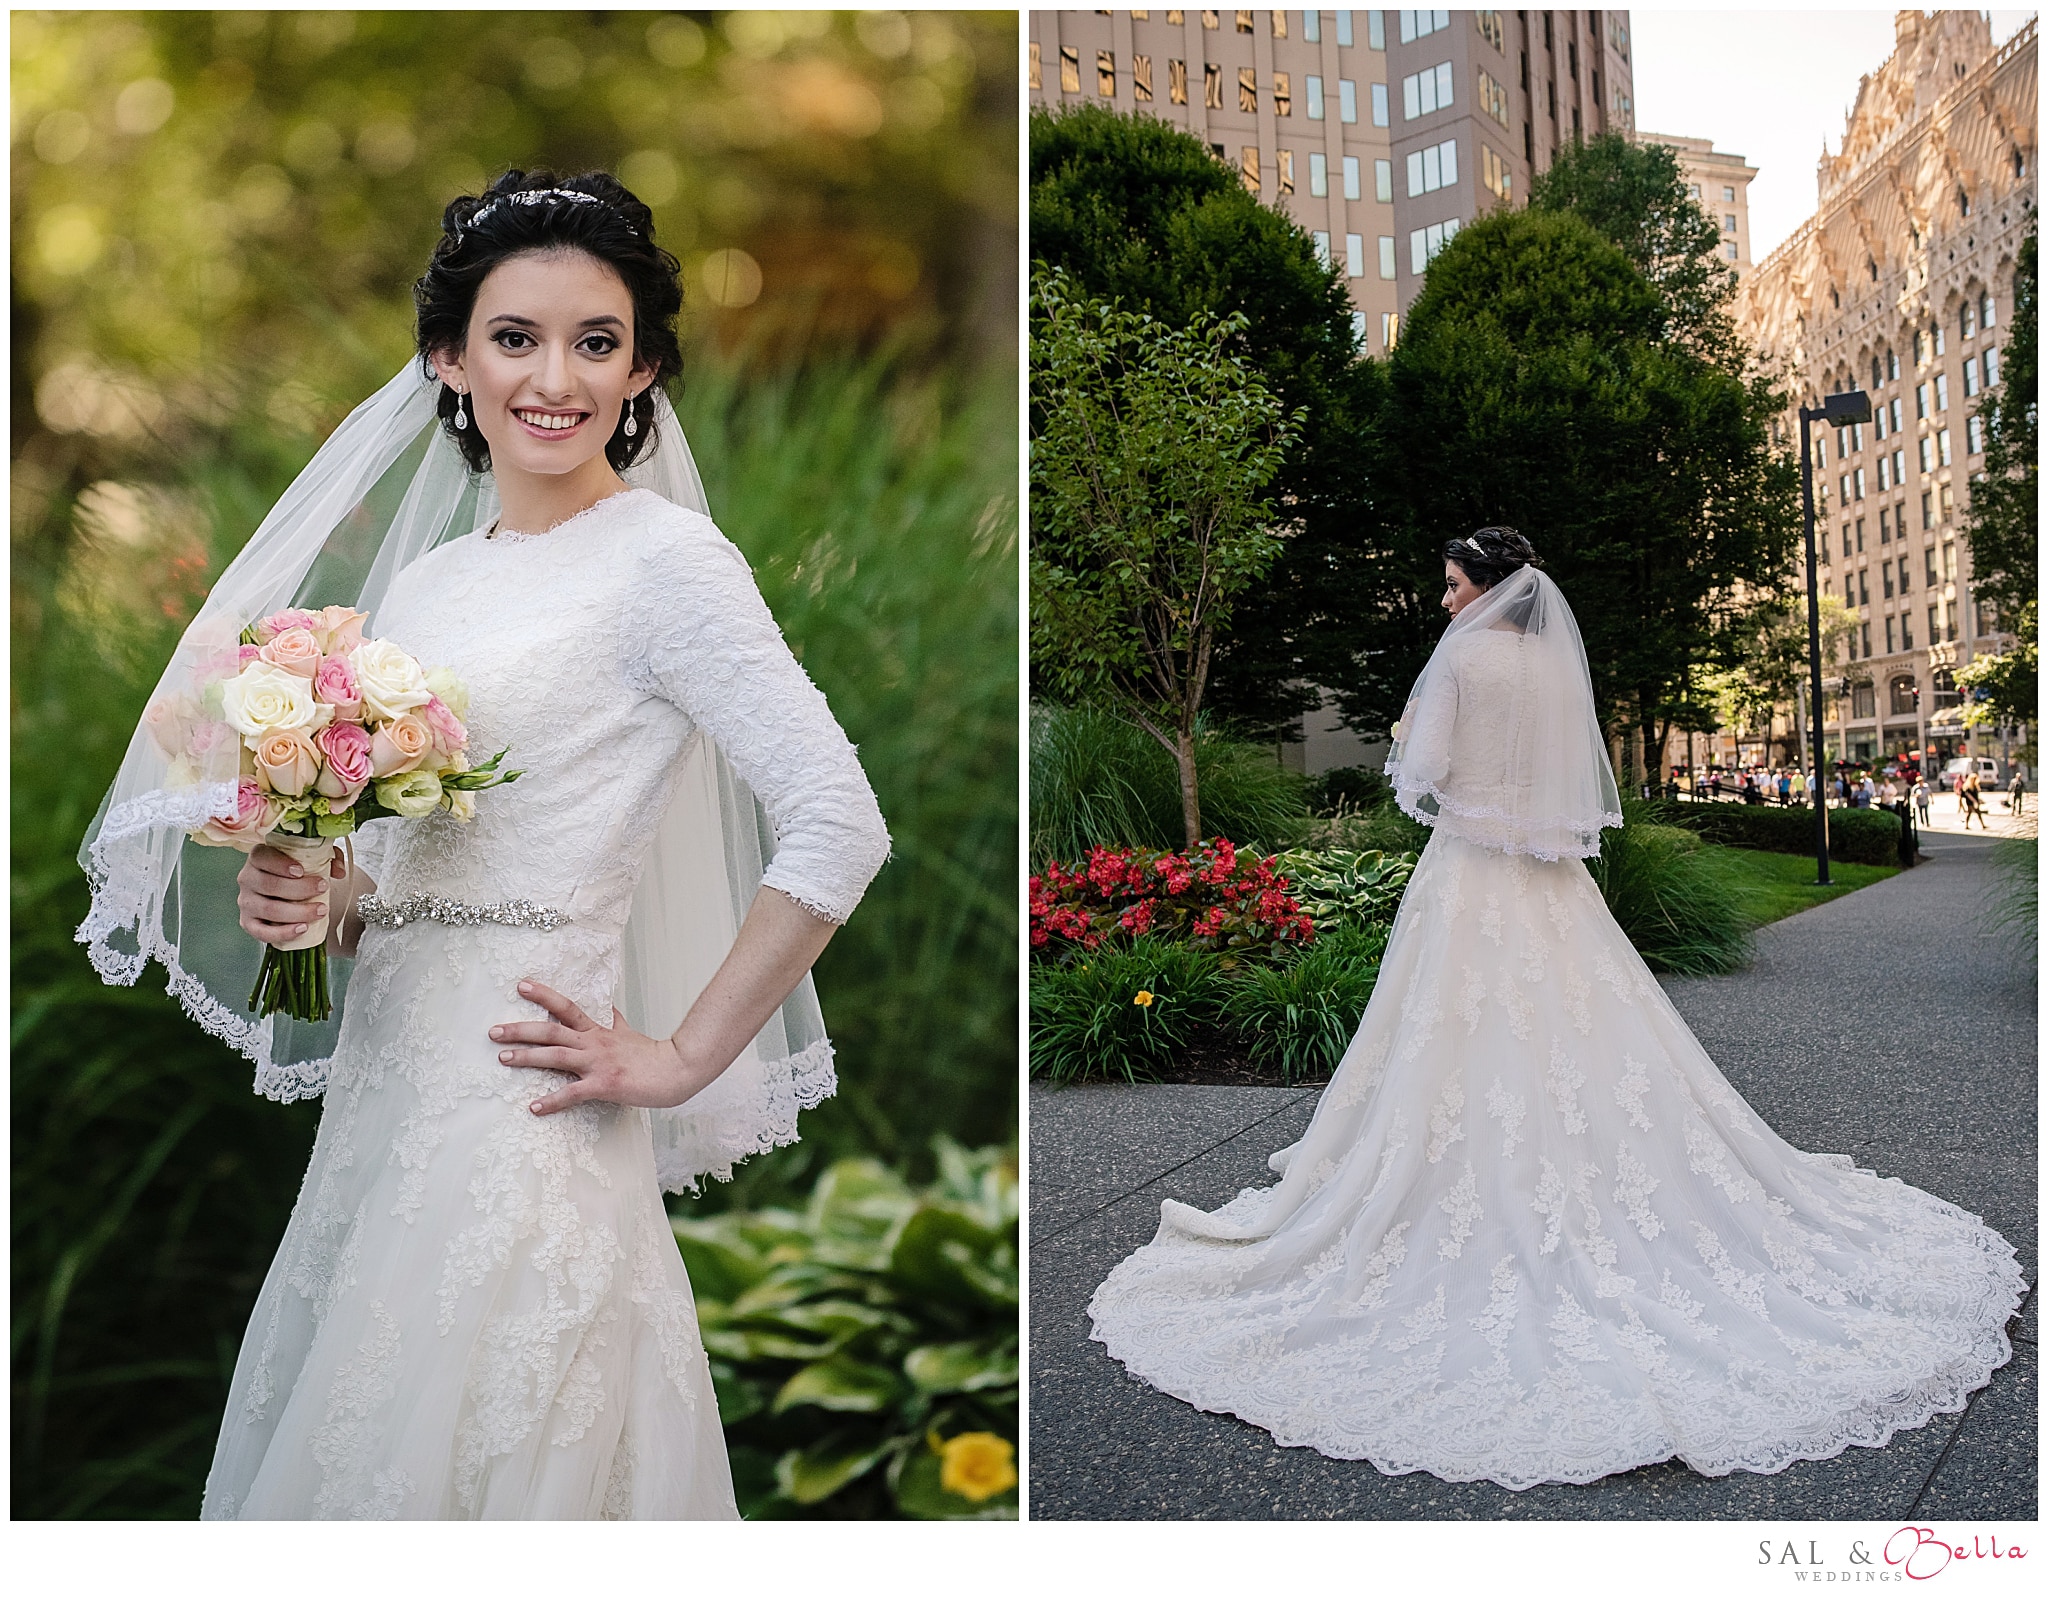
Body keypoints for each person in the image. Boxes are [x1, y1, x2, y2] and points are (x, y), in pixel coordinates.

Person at [75, 172, 893, 1519]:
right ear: (451, 359)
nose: (553, 378)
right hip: (391, 1090)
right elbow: (407, 869)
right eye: (515, 338)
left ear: (641, 370)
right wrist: (324, 894)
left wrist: (683, 1054)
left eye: (596, 341)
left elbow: (839, 822)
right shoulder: (436, 581)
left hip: (531, 1092)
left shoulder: (669, 564)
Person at [1087, 526, 2023, 1489]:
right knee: (1591, 1028)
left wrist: (1410, 738)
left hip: (1473, 877)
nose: (1445, 601)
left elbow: (1427, 775)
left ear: (1487, 587)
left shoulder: (1460, 656)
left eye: (1452, 584)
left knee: (1453, 1033)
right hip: (1550, 883)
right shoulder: (1552, 665)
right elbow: (1563, 777)